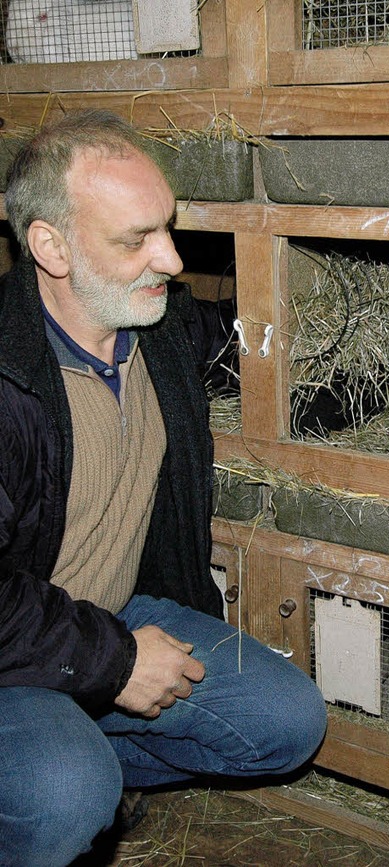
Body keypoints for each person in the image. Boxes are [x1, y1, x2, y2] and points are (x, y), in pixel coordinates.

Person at [0, 109, 328, 867]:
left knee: (289, 721)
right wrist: (114, 661)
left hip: (113, 614)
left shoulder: (159, 327)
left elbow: (269, 364)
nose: (173, 259)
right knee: (64, 794)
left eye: (168, 229)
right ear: (50, 245)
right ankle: (65, 779)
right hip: (19, 648)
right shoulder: (9, 380)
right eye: (135, 239)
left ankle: (82, 760)